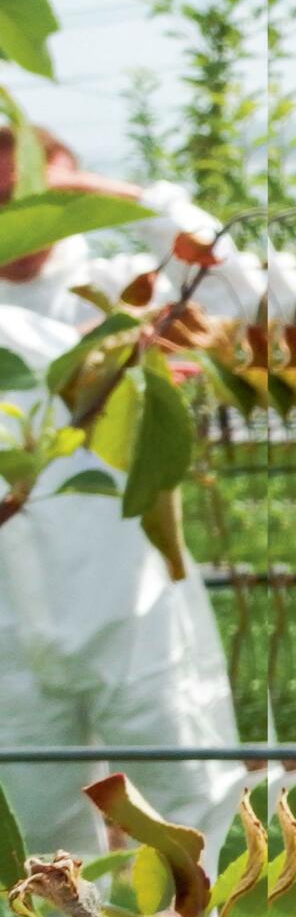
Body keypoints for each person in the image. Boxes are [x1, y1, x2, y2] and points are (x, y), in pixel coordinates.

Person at [0, 126, 261, 868]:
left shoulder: (124, 278)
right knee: (33, 833)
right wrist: (96, 346)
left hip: (132, 596)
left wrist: (132, 200)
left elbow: (245, 291)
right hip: (9, 609)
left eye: (36, 190)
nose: (18, 206)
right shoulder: (102, 310)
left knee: (189, 802)